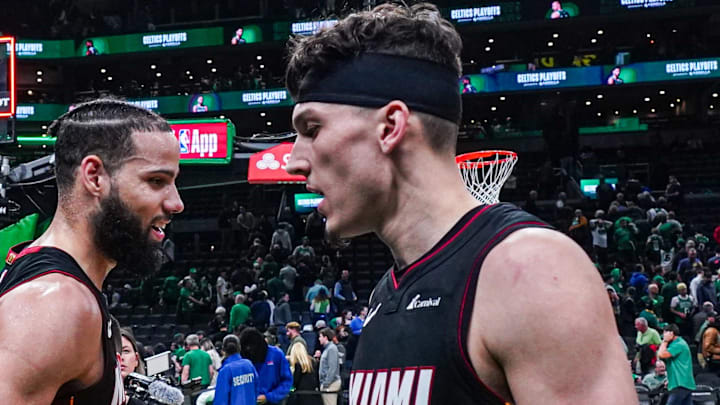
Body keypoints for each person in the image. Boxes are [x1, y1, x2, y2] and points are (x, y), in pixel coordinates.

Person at [284, 3, 634, 403]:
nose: (295, 161)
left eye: (312, 129)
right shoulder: (387, 292)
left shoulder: (530, 271)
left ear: (390, 127)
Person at [0, 99, 184, 404]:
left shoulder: (62, 286)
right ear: (95, 176)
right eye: (156, 181)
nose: (176, 203)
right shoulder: (57, 305)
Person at [240, 328, 293, 405]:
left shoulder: (276, 354)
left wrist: (269, 397)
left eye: (251, 347)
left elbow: (287, 381)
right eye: (247, 348)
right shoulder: (240, 359)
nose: (249, 350)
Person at [214, 335, 259, 405]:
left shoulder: (225, 370)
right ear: (239, 347)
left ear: (223, 350)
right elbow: (256, 388)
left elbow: (221, 400)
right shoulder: (249, 364)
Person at [658, 324, 696, 405]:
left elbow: (661, 354)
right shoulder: (676, 344)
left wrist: (665, 341)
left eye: (665, 334)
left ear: (671, 333)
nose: (663, 337)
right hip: (682, 383)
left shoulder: (679, 344)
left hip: (680, 383)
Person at [317, 328, 341, 405]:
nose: (319, 338)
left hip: (331, 384)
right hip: (328, 383)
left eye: (320, 336)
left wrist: (326, 383)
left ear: (325, 337)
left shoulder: (332, 349)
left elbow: (332, 368)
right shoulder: (327, 349)